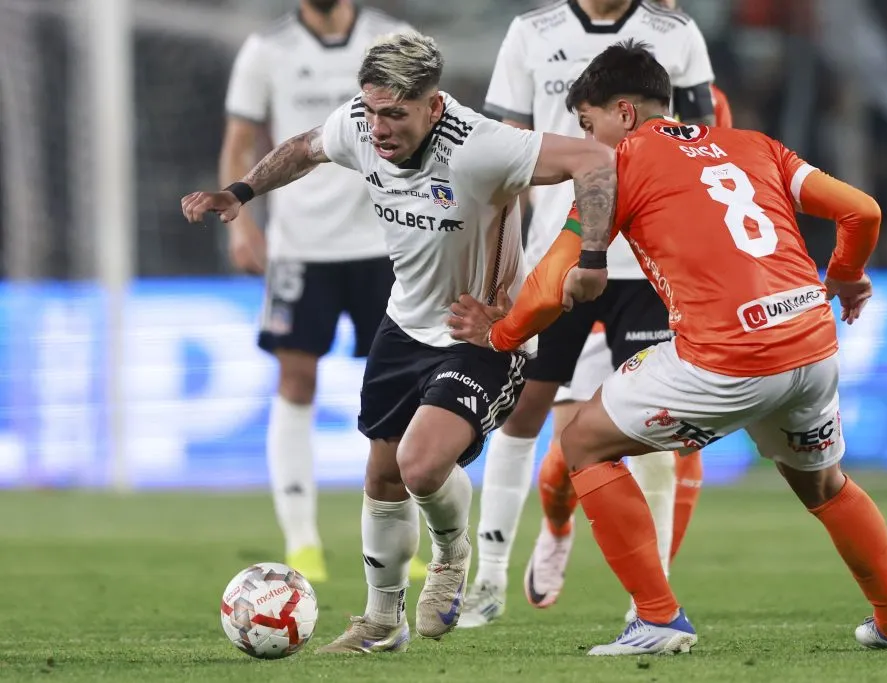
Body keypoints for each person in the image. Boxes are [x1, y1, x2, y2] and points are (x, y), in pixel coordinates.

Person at [449, 40, 887, 656]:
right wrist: (844, 273)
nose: (586, 140)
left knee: (582, 441)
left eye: (588, 123)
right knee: (826, 487)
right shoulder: (759, 147)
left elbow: (551, 286)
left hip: (728, 358)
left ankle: (656, 618)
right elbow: (862, 212)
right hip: (812, 346)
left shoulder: (615, 166)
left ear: (623, 113)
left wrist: (499, 335)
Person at [182, 30, 617, 653]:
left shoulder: (483, 146)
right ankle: (382, 622)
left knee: (420, 465)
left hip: (482, 335)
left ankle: (451, 554)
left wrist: (591, 257)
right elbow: (304, 148)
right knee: (383, 479)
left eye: (395, 113)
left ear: (433, 107)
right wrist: (241, 193)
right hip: (404, 323)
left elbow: (595, 160)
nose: (379, 128)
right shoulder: (358, 126)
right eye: (371, 110)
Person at [463, 0, 717, 628]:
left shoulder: (676, 32)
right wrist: (501, 264)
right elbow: (502, 159)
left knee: (660, 425)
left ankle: (648, 600)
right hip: (561, 249)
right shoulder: (531, 32)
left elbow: (705, 143)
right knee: (526, 411)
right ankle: (491, 577)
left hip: (648, 261)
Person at [219, 0, 432, 583]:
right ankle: (302, 540)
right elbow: (239, 138)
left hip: (385, 240)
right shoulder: (268, 48)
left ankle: (405, 537)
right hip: (300, 246)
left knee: (404, 386)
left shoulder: (393, 37)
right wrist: (242, 223)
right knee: (296, 379)